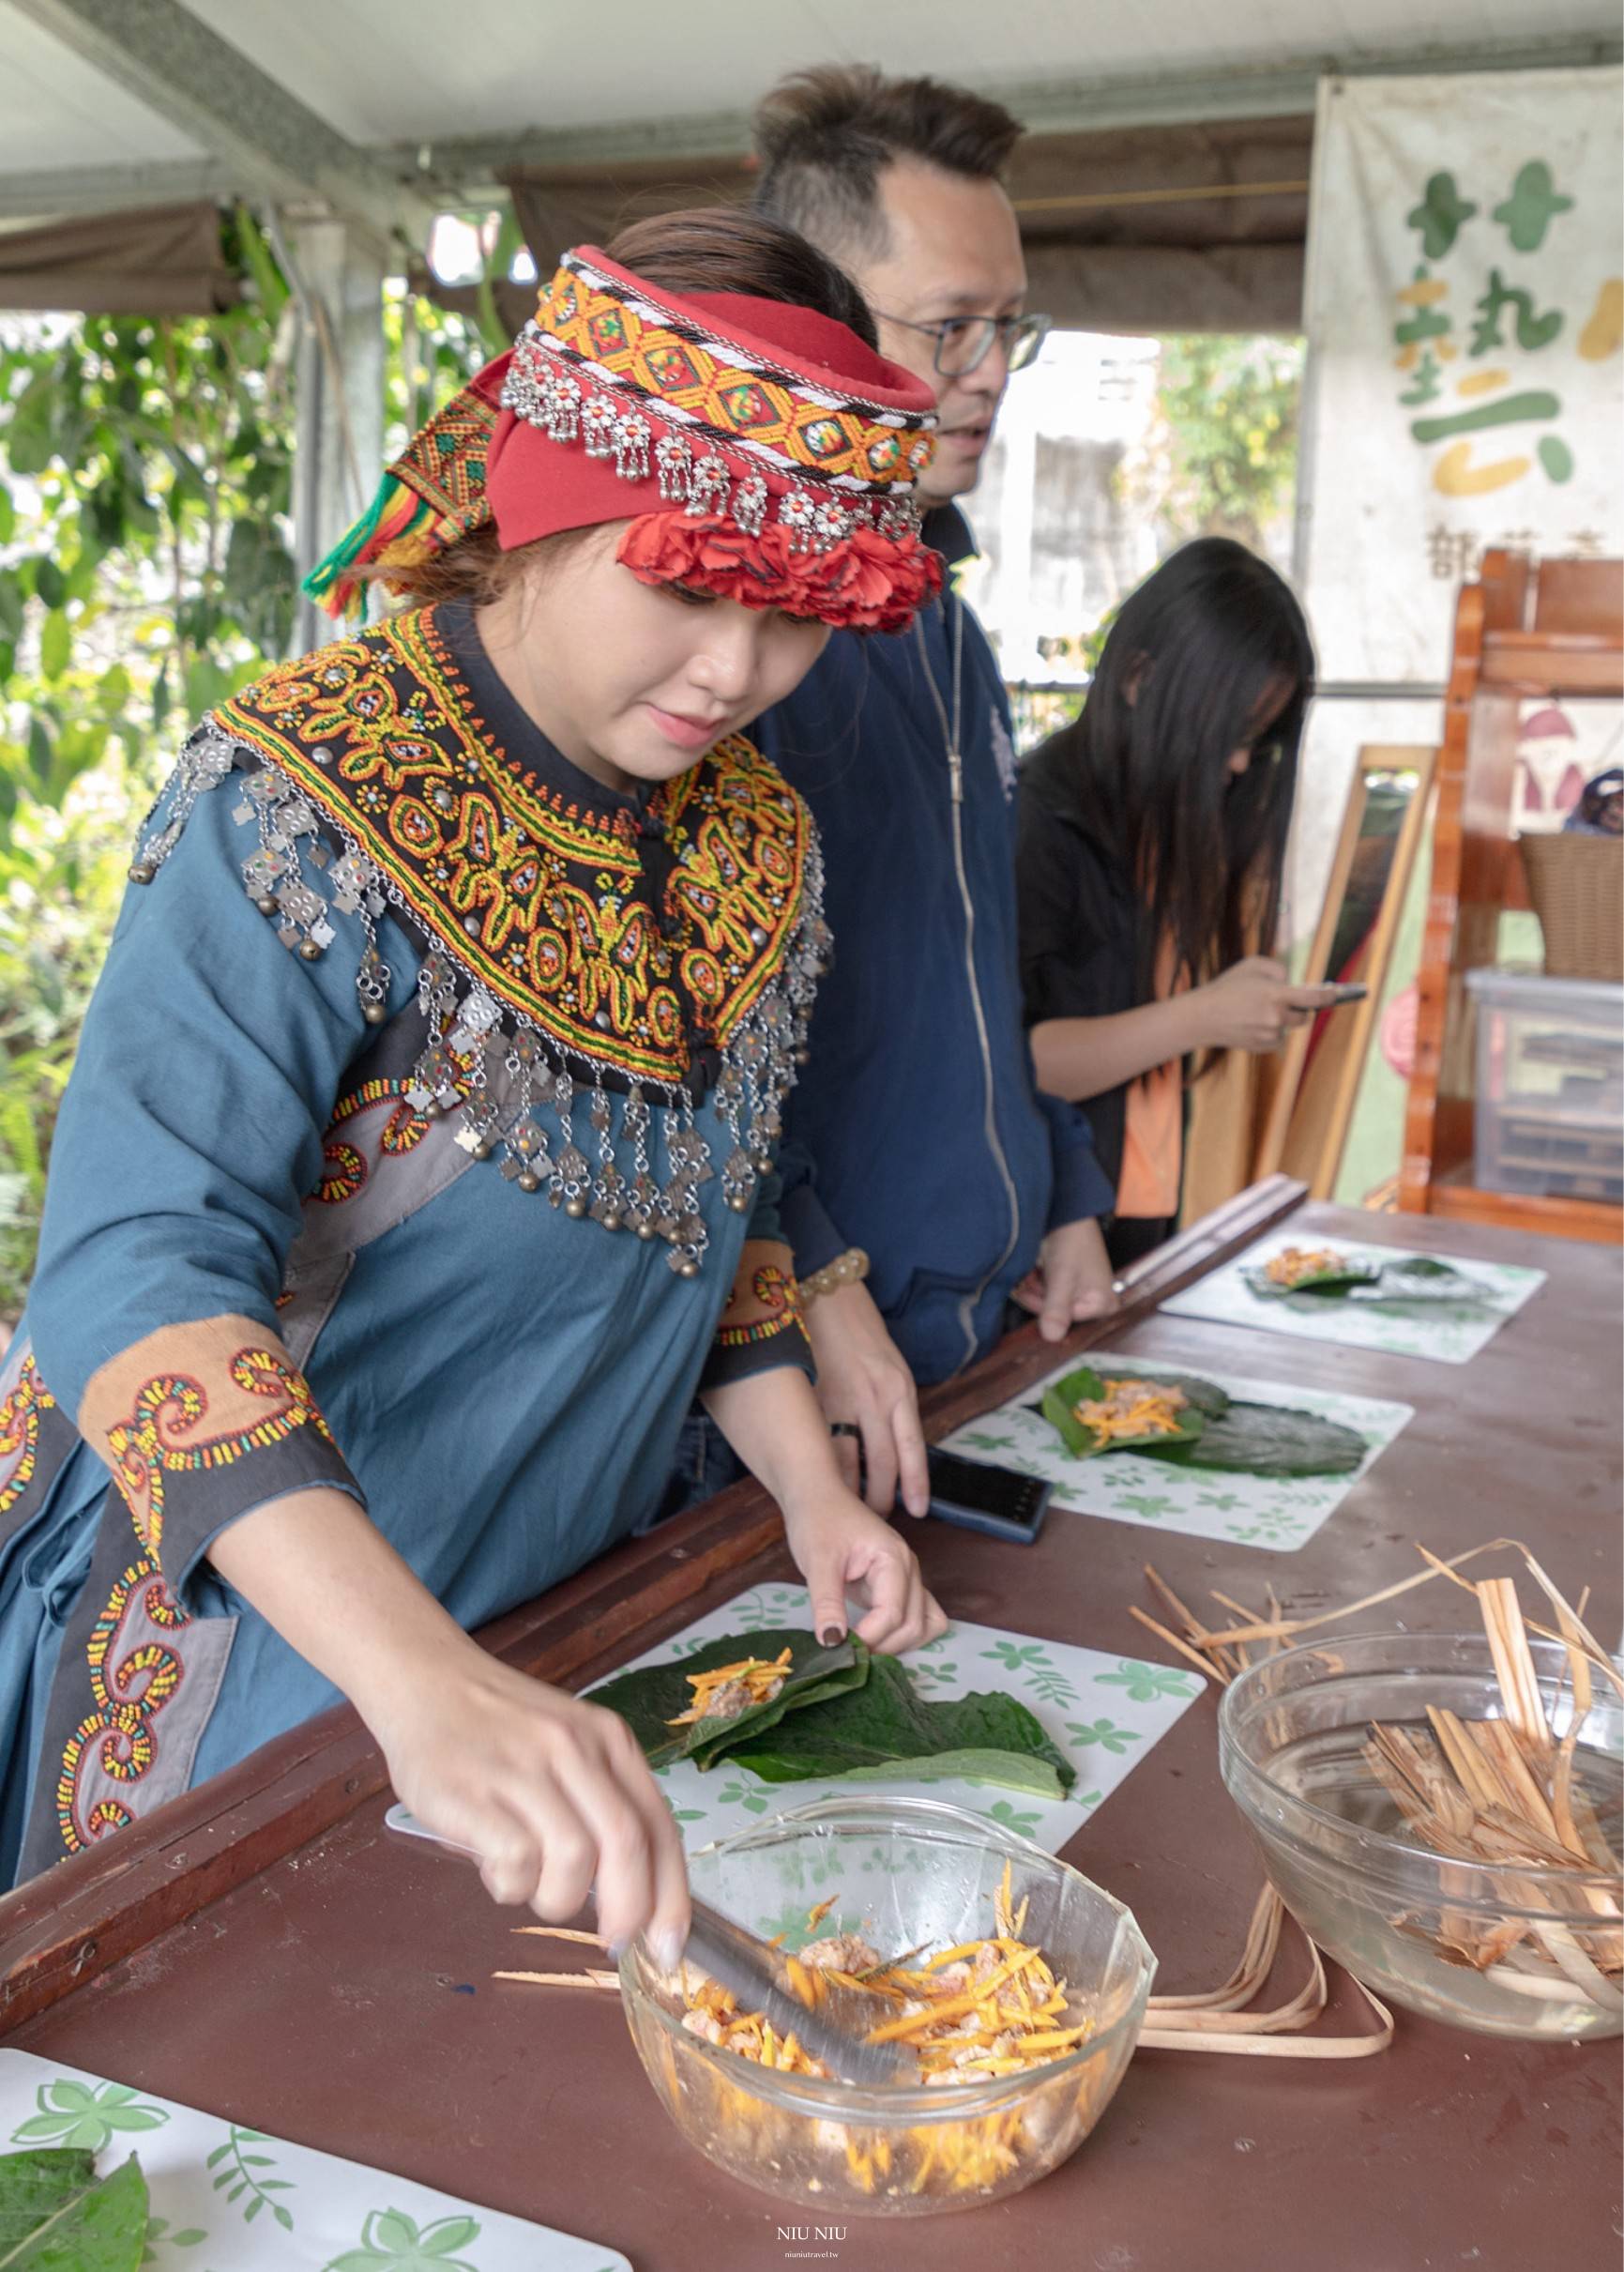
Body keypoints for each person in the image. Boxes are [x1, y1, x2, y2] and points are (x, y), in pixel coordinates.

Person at [0, 209, 949, 1959]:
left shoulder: (759, 842)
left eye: (794, 616)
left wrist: (807, 1490)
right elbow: (132, 1279)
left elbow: (706, 1201)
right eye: (681, 583)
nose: (734, 673)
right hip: (271, 1648)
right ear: (543, 503)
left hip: (543, 1627)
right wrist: (422, 1679)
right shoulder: (297, 796)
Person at [741, 67, 1118, 1522]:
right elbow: (698, 1036)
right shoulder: (732, 656)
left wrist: (1067, 1185)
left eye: (1004, 324)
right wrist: (812, 1288)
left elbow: (974, 973)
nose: (986, 370)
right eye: (944, 325)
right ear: (814, 321)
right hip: (805, 1399)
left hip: (980, 1345)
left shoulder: (949, 633)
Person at [1016, 537, 1327, 1268]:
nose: (1240, 762)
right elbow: (1015, 1061)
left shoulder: (1170, 827)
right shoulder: (1035, 817)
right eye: (1227, 734)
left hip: (1137, 1218)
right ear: (1138, 678)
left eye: (1255, 738)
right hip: (1049, 1241)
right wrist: (1203, 1015)